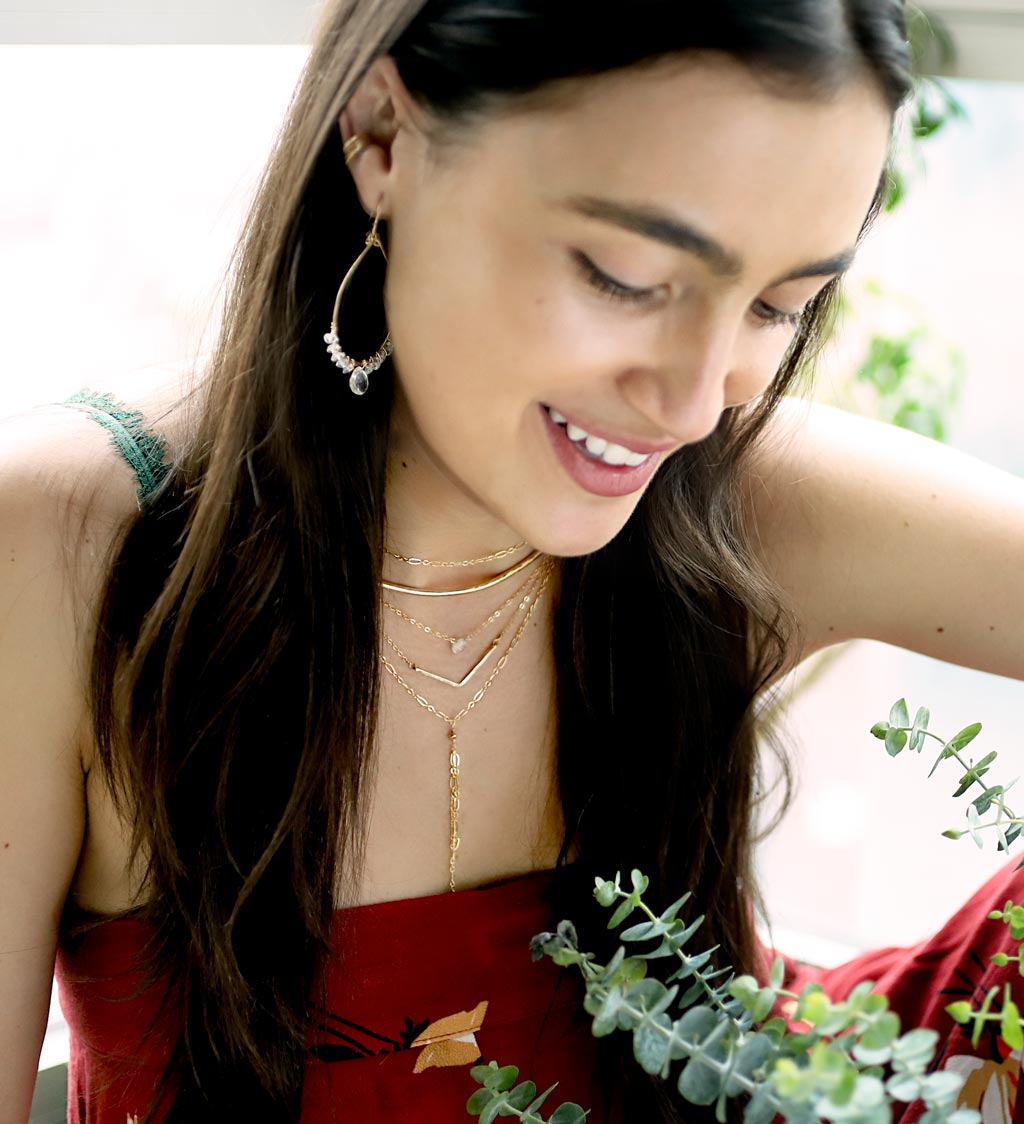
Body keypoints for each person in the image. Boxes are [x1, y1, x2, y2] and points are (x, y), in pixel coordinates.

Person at [2, 1, 1022, 1122]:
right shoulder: (74, 545)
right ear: (384, 136)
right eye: (626, 276)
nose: (692, 400)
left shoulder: (736, 500)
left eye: (781, 304)